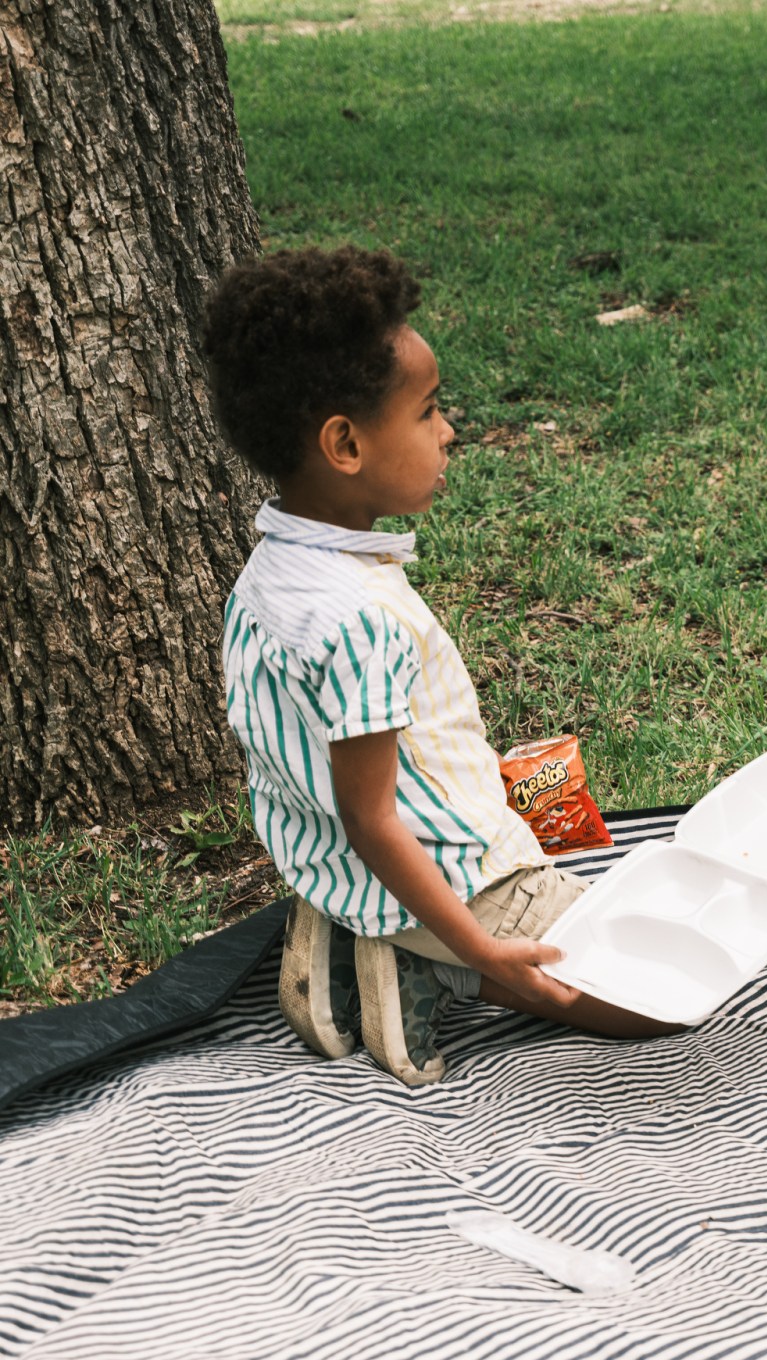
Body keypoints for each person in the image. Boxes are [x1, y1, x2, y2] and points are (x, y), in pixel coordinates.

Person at [205, 246, 675, 1087]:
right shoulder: (359, 618)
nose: (448, 429)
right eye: (427, 413)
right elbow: (376, 819)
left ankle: (360, 927)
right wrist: (482, 948)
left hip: (324, 863)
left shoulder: (266, 573)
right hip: (457, 876)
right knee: (664, 997)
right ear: (345, 443)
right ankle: (426, 959)